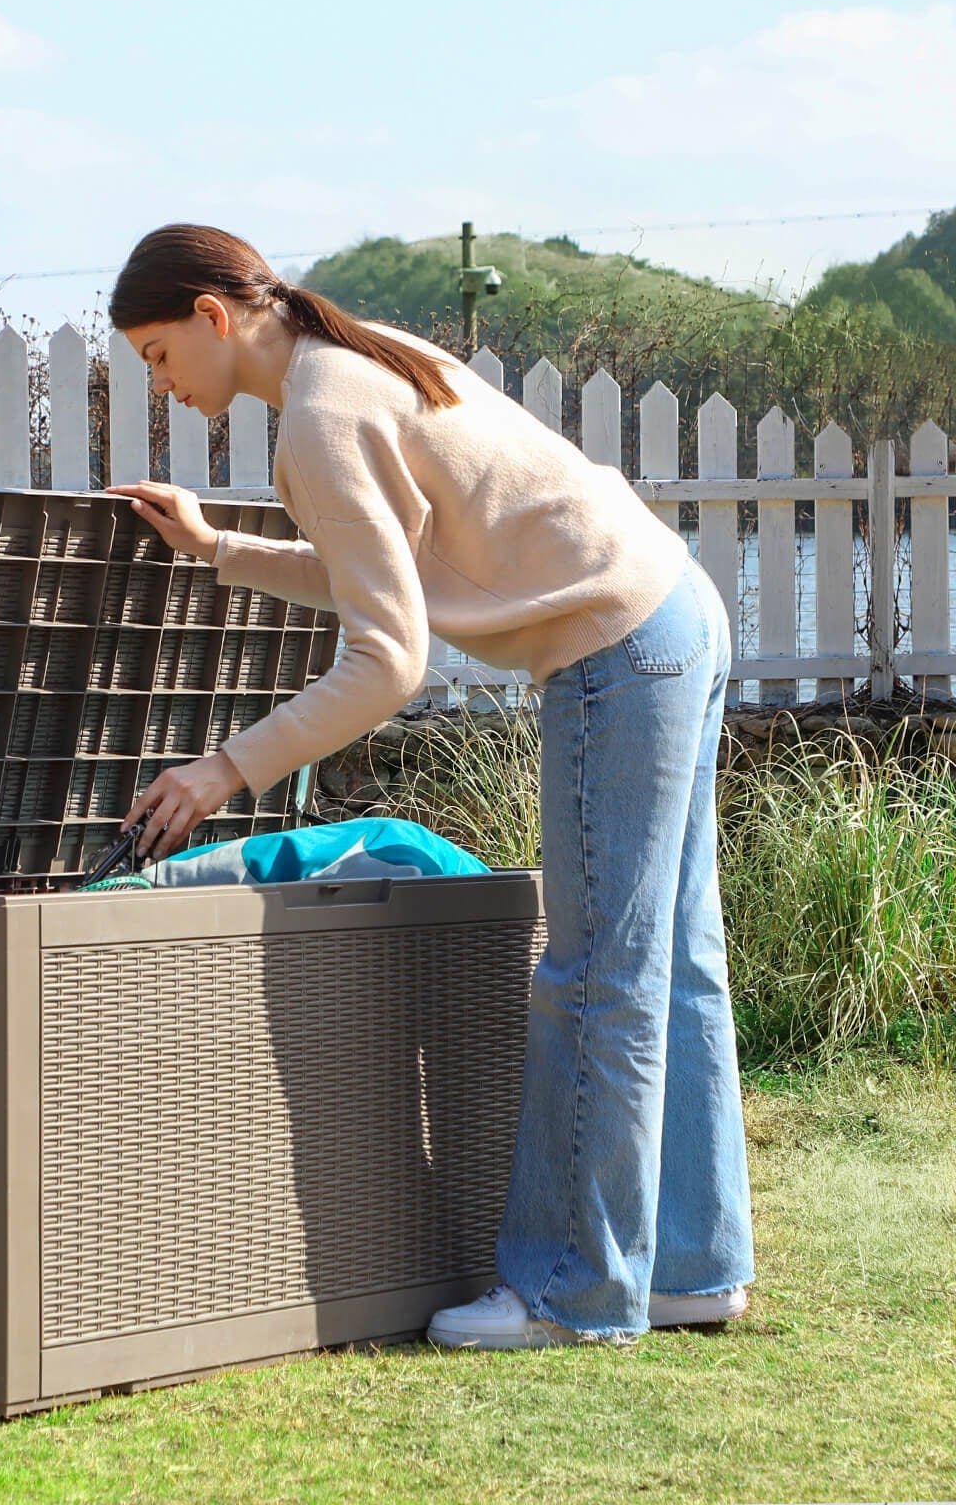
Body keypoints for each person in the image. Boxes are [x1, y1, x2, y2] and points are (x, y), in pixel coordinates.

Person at [106, 223, 754, 1349]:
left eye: (158, 354)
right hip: (672, 613)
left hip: (616, 649)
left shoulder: (319, 413)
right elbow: (386, 572)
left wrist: (225, 769)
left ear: (213, 317)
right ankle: (693, 1269)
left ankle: (570, 1289)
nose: (159, 383)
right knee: (670, 964)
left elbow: (387, 658)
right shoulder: (345, 364)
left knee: (595, 971)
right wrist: (220, 550)